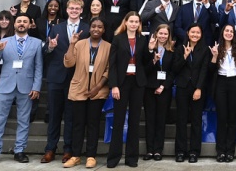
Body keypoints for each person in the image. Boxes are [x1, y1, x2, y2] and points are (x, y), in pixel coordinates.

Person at [0, 13, 43, 165]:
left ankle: (19, 151)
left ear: (29, 25)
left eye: (25, 21)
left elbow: (38, 67)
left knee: (24, 121)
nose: (22, 23)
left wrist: (37, 87)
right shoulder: (4, 41)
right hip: (5, 85)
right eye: (19, 21)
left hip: (26, 87)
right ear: (15, 24)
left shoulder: (37, 43)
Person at [41, 0, 90, 164]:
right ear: (67, 10)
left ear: (81, 11)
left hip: (76, 78)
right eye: (71, 8)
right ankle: (50, 149)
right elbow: (46, 52)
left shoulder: (87, 29)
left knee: (71, 116)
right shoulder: (56, 27)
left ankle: (68, 149)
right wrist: (51, 47)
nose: (74, 11)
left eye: (77, 8)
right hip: (56, 77)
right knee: (54, 115)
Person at [61, 17, 110, 168]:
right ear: (89, 28)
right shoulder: (80, 44)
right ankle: (75, 156)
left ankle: (91, 156)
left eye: (100, 27)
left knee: (93, 124)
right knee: (78, 124)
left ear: (104, 30)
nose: (96, 29)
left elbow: (109, 70)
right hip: (79, 89)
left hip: (98, 91)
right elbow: (68, 63)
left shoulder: (108, 47)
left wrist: (97, 87)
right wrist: (72, 43)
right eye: (93, 26)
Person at [107, 12, 151, 168]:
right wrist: (114, 85)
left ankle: (132, 158)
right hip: (122, 83)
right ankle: (113, 158)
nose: (133, 24)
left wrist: (151, 51)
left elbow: (146, 62)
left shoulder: (142, 39)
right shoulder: (118, 39)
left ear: (139, 24)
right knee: (118, 121)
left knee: (134, 121)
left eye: (136, 22)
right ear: (125, 22)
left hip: (137, 83)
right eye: (131, 21)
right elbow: (111, 64)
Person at [210, 24, 236, 163]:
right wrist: (214, 56)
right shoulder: (216, 47)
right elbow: (210, 70)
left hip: (235, 82)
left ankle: (230, 151)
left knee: (232, 119)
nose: (229, 33)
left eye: (231, 31)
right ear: (222, 33)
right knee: (222, 118)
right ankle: (220, 151)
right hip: (220, 82)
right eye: (227, 30)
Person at [173, 24, 209, 163]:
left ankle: (194, 151)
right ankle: (180, 151)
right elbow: (175, 69)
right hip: (182, 87)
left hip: (197, 89)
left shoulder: (205, 50)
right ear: (187, 33)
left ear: (201, 34)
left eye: (198, 32)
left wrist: (199, 88)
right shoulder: (180, 48)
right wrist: (184, 56)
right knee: (181, 120)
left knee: (196, 121)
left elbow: (204, 70)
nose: (195, 35)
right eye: (192, 32)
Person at [144, 25, 176, 161]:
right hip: (149, 88)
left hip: (164, 89)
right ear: (156, 34)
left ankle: (158, 150)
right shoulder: (148, 48)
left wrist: (163, 86)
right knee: (150, 120)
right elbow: (144, 70)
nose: (163, 36)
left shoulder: (172, 50)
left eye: (165, 34)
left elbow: (173, 72)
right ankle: (149, 150)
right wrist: (154, 59)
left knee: (161, 120)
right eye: (160, 33)